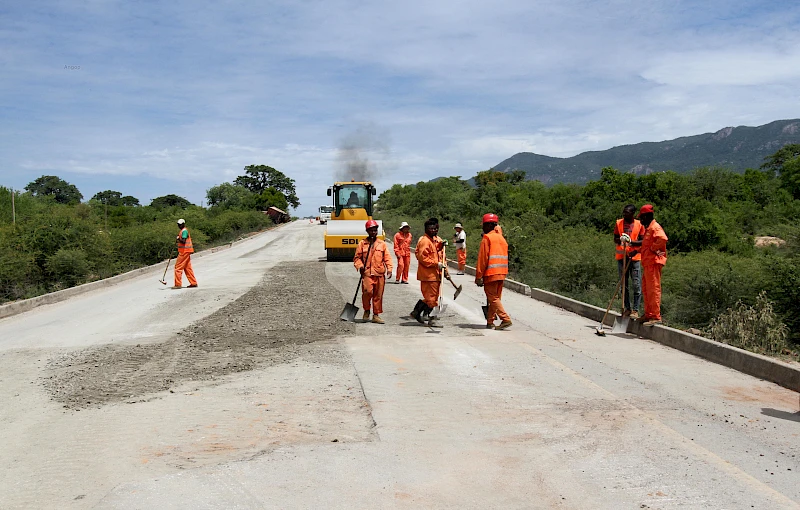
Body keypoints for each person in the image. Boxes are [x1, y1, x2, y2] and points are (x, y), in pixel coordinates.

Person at [475, 213, 512, 330]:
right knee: (495, 298)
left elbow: (482, 259)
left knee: (492, 297)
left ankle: (505, 319)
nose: (482, 228)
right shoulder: (501, 238)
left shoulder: (487, 238)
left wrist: (478, 276)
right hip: (502, 272)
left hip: (491, 273)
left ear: (488, 225)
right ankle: (490, 321)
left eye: (484, 225)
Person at [633, 204, 668, 326]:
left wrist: (654, 248)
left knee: (653, 289)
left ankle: (656, 316)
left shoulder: (655, 227)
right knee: (647, 289)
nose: (641, 221)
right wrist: (637, 251)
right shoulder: (649, 229)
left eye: (642, 218)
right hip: (647, 263)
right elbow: (646, 245)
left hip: (654, 263)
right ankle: (648, 314)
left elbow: (663, 239)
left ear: (647, 216)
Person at [353, 220, 393, 324]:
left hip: (379, 274)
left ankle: (376, 315)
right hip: (367, 273)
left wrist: (389, 269)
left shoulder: (382, 244)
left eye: (375, 230)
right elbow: (357, 258)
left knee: (378, 295)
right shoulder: (362, 243)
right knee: (367, 292)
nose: (373, 232)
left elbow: (387, 257)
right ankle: (366, 311)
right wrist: (360, 266)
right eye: (371, 230)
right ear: (367, 231)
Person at [410, 217, 445, 324]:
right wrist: (436, 263)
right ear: (426, 229)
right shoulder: (425, 241)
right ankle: (432, 319)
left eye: (435, 229)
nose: (433, 230)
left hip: (435, 275)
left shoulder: (434, 240)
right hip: (428, 275)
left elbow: (436, 254)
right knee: (432, 299)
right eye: (431, 229)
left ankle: (416, 312)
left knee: (431, 297)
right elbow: (423, 257)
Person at [613, 204, 644, 318]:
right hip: (622, 258)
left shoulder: (639, 224)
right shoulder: (619, 223)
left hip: (634, 258)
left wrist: (630, 242)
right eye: (624, 212)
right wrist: (620, 240)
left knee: (636, 284)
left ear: (633, 213)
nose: (624, 214)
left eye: (627, 212)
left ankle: (635, 310)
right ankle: (627, 308)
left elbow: (642, 241)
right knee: (624, 285)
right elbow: (615, 238)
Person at [173, 218, 198, 289]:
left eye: (180, 224)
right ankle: (193, 283)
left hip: (184, 251)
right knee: (187, 268)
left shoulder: (184, 231)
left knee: (178, 267)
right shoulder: (182, 231)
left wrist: (178, 239)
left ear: (183, 224)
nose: (179, 226)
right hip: (186, 251)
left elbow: (183, 241)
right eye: (178, 224)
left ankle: (178, 284)